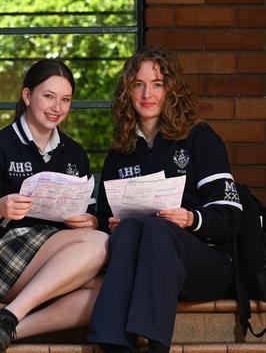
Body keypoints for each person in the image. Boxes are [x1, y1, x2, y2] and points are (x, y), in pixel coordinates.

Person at [87, 46, 241, 353]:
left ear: (172, 90)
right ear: (127, 92)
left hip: (205, 263)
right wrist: (111, 225)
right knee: (130, 229)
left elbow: (231, 217)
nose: (147, 94)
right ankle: (114, 345)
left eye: (157, 84)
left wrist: (189, 218)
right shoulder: (120, 152)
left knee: (158, 228)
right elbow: (104, 218)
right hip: (145, 262)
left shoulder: (201, 138)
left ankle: (157, 346)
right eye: (138, 84)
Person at [0, 59, 108, 352]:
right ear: (27, 96)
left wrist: (90, 222)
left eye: (65, 100)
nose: (57, 107)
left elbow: (90, 216)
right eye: (48, 96)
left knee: (108, 291)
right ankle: (11, 314)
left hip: (56, 260)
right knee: (100, 244)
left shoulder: (75, 154)